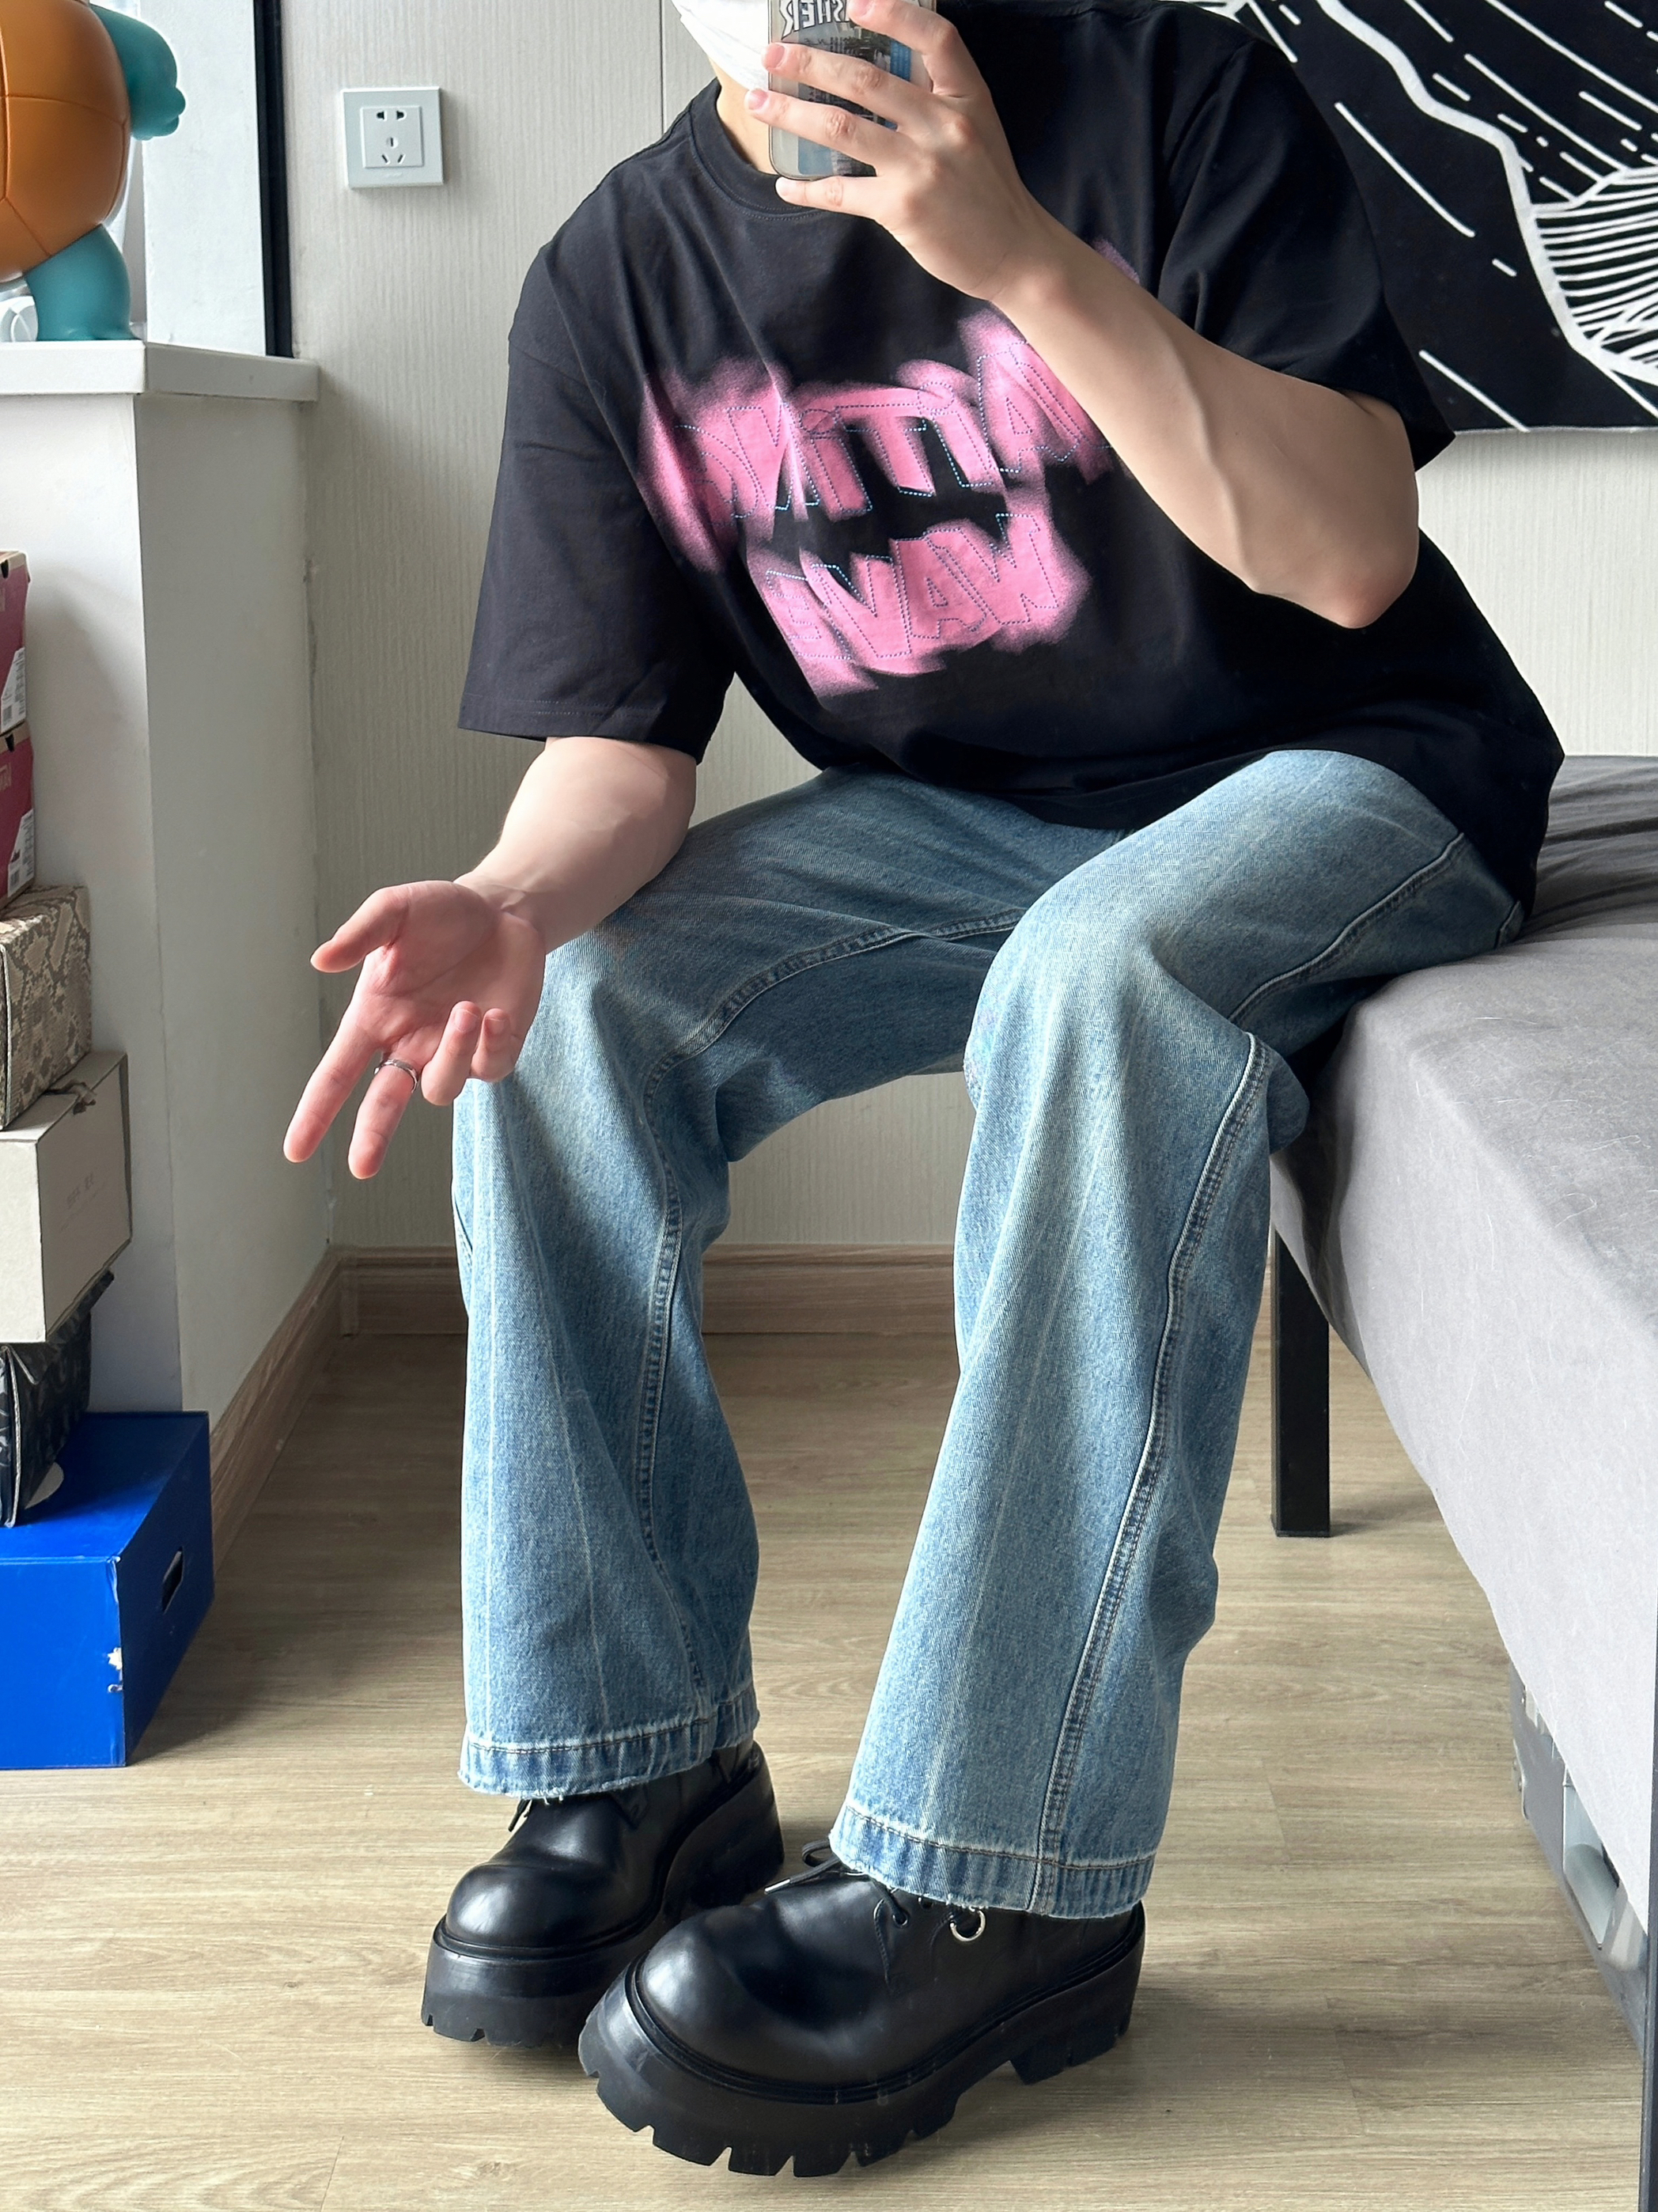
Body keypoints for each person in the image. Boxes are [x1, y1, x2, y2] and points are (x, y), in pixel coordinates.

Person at [284, 0, 1560, 2176]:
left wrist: (1020, 261)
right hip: (969, 829)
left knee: (1101, 977)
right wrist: (505, 898)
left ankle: (1006, 1867)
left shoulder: (1171, 92)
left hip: (1350, 769)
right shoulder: (617, 275)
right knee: (570, 1009)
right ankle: (638, 1768)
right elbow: (621, 758)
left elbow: (1349, 553)